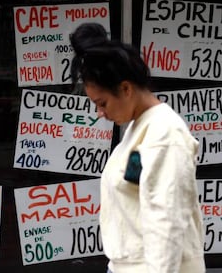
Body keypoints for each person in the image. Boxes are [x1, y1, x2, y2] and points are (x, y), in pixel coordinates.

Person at [69, 22, 205, 273]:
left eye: (102, 103)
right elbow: (138, 188)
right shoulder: (141, 128)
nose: (100, 113)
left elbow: (166, 224)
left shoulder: (164, 134)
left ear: (126, 88)